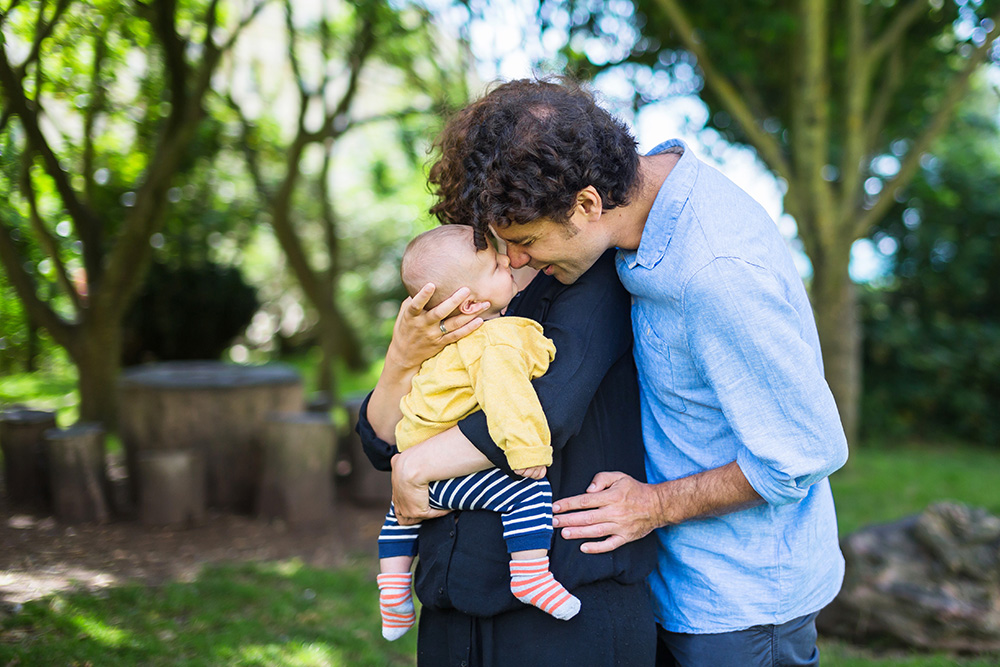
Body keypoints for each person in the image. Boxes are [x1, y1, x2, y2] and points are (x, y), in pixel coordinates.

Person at [424, 78, 850, 667]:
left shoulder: (718, 272)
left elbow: (804, 450)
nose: (516, 260)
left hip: (739, 605)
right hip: (660, 581)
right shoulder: (637, 202)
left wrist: (655, 505)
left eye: (525, 241)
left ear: (589, 204)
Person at [358, 237, 658, 662]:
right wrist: (402, 358)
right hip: (448, 599)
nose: (511, 257)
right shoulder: (457, 281)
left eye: (524, 237)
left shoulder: (590, 278)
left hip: (565, 612)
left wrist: (413, 466)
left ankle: (522, 575)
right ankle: (394, 589)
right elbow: (381, 443)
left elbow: (548, 409)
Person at [376, 225, 580, 642]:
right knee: (526, 493)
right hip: (449, 468)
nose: (510, 262)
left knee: (399, 516)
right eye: (496, 264)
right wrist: (528, 454)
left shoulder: (445, 343)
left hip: (416, 452)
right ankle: (529, 574)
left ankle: (393, 591)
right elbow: (510, 400)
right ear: (472, 302)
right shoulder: (493, 341)